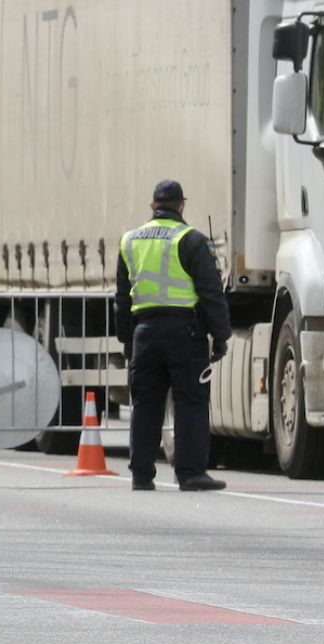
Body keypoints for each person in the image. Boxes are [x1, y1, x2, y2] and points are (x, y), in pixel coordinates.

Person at [115, 180, 232, 492]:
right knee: (190, 402)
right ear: (182, 205)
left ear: (153, 205)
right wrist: (221, 336)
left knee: (145, 404)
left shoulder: (130, 241)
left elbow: (123, 297)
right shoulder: (191, 240)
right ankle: (191, 474)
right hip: (184, 333)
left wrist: (127, 339)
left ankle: (141, 475)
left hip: (144, 333)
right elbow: (211, 293)